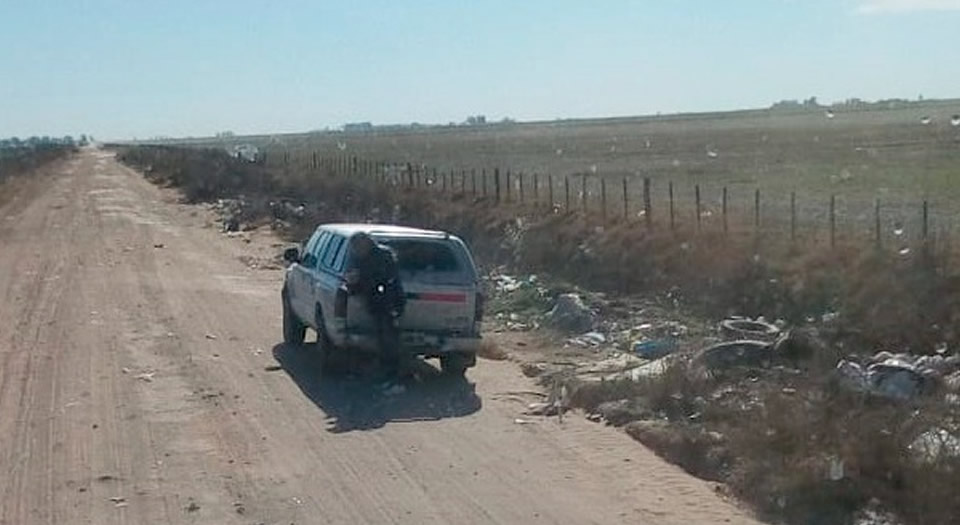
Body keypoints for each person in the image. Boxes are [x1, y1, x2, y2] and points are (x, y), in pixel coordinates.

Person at [345, 233, 406, 381]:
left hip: (388, 301)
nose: (357, 249)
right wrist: (353, 284)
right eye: (355, 247)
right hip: (377, 302)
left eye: (358, 245)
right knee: (382, 336)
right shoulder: (360, 258)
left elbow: (387, 279)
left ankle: (391, 371)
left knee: (388, 337)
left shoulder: (382, 256)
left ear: (366, 244)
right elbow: (358, 280)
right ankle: (385, 368)